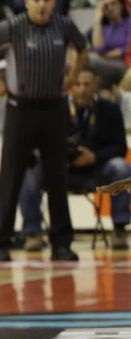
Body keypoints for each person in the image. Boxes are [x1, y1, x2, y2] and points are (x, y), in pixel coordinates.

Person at [0, 0, 88, 263]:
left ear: (53, 1)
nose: (42, 4)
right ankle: (1, 242)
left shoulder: (63, 25)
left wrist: (72, 77)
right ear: (26, 2)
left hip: (53, 109)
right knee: (11, 176)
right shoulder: (14, 26)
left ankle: (61, 243)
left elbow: (82, 48)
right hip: (20, 109)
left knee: (56, 176)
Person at [19, 70, 131, 251]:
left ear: (95, 86)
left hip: (96, 169)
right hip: (60, 169)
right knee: (30, 171)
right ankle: (32, 232)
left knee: (121, 167)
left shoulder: (109, 109)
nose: (82, 90)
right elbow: (40, 142)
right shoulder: (55, 108)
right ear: (70, 87)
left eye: (87, 85)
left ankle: (119, 228)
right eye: (77, 85)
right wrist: (63, 154)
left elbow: (120, 147)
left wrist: (94, 156)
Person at [88, 0, 131, 89]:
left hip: (125, 63)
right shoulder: (102, 27)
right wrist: (97, 19)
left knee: (92, 59)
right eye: (106, 6)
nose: (110, 8)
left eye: (114, 3)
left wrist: (107, 55)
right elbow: (99, 48)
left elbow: (127, 48)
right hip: (106, 64)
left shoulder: (129, 22)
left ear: (121, 5)